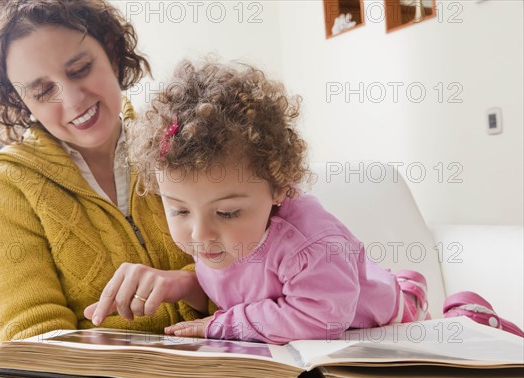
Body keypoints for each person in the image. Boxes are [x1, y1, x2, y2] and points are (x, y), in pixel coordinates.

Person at [91, 59, 431, 345]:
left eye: (227, 212)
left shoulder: (311, 244)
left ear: (280, 188)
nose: (200, 233)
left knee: (419, 317)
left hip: (379, 318)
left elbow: (322, 317)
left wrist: (222, 325)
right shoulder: (220, 234)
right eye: (179, 210)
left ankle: (441, 301)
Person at [0, 1, 207, 378]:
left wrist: (190, 284)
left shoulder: (180, 142)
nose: (74, 100)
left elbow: (262, 276)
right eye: (43, 91)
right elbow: (29, 347)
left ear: (111, 50)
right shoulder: (9, 185)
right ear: (19, 100)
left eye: (80, 70)